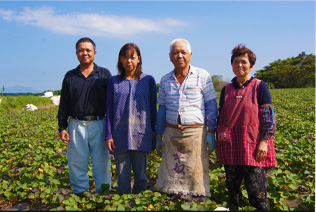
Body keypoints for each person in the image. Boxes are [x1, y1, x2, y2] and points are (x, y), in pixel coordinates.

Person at [154, 38, 218, 197]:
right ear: (170, 56)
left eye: (183, 52)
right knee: (171, 173)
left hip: (195, 135)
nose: (179, 56)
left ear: (190, 54)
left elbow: (211, 104)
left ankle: (197, 200)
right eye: (175, 52)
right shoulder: (164, 80)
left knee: (194, 174)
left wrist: (211, 131)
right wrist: (157, 133)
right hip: (172, 134)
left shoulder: (202, 75)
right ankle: (173, 200)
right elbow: (162, 108)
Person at [216, 44, 276, 211]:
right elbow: (221, 117)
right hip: (230, 146)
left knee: (257, 193)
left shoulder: (259, 86)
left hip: (253, 146)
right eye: (236, 62)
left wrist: (265, 141)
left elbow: (268, 116)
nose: (239, 65)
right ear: (232, 65)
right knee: (233, 192)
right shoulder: (226, 89)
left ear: (251, 65)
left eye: (243, 62)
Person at [57, 37, 112, 195]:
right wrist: (62, 126)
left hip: (99, 123)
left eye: (88, 50)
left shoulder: (104, 74)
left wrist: (111, 129)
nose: (85, 53)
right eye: (81, 50)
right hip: (76, 124)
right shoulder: (70, 76)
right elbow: (64, 103)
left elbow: (111, 103)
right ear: (76, 53)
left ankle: (103, 193)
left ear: (95, 52)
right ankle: (80, 193)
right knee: (76, 162)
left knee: (102, 162)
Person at [105, 43, 157, 195]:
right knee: (122, 176)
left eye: (132, 57)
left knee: (141, 177)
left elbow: (153, 108)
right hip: (119, 135)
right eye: (125, 57)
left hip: (142, 135)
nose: (129, 61)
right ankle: (124, 202)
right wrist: (108, 135)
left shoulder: (148, 80)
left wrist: (154, 132)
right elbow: (109, 109)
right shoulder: (114, 81)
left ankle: (139, 203)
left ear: (139, 59)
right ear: (120, 60)